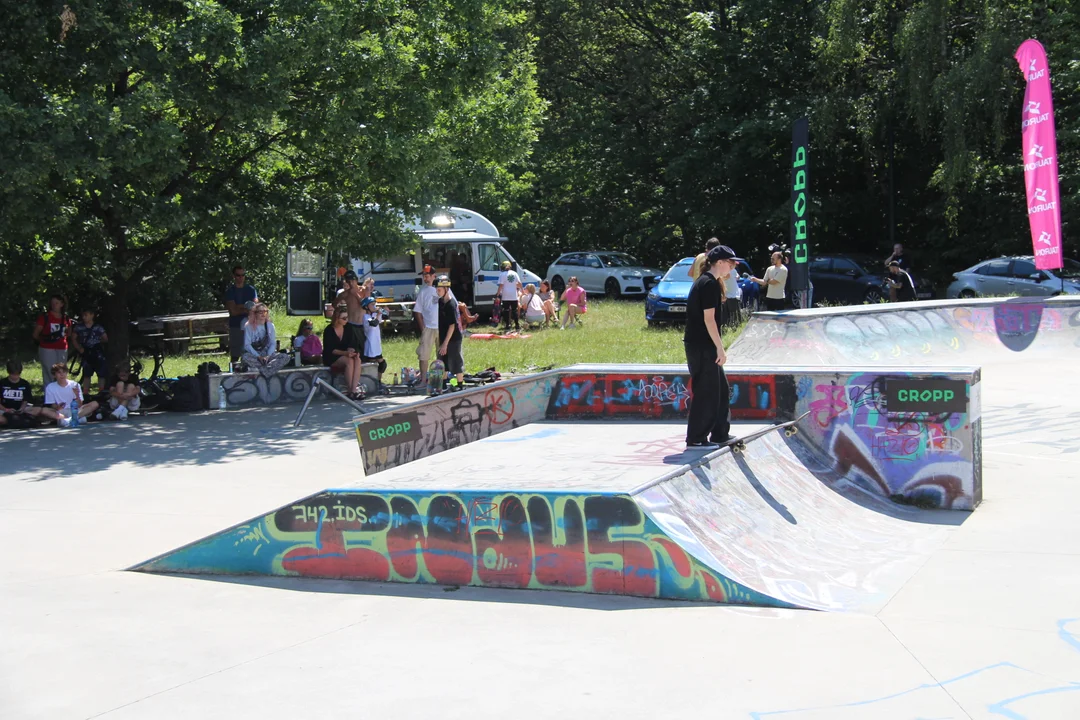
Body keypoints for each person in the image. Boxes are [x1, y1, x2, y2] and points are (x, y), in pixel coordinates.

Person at [683, 245, 735, 449]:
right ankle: (696, 437)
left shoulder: (709, 282)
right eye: (730, 263)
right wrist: (720, 348)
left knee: (721, 390)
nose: (732, 267)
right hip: (702, 346)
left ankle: (720, 434)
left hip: (702, 345)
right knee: (707, 392)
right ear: (719, 262)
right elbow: (709, 319)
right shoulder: (708, 284)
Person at [0, 360, 57, 427]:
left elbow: (26, 400)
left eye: (17, 374)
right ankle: (19, 422)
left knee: (39, 410)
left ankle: (15, 421)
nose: (15, 377)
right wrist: (6, 410)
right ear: (8, 372)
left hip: (22, 410)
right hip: (4, 410)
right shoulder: (2, 383)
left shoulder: (25, 384)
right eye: (13, 374)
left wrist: (22, 408)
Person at [32, 294, 72, 388]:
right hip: (46, 348)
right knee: (50, 372)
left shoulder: (66, 318)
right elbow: (35, 334)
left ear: (62, 304)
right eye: (52, 303)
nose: (54, 305)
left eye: (56, 303)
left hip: (62, 348)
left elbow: (69, 332)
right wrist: (43, 342)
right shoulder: (45, 317)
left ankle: (61, 394)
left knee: (61, 372)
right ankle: (49, 396)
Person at [323, 308, 362, 398]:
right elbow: (330, 349)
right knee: (349, 361)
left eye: (347, 318)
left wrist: (352, 351)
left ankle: (353, 390)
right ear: (337, 318)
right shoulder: (329, 330)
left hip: (346, 354)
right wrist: (345, 353)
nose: (346, 320)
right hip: (332, 356)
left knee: (357, 360)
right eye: (344, 318)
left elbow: (353, 343)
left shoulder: (348, 327)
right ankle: (350, 390)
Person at [242, 303, 289, 377]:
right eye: (260, 312)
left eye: (265, 311)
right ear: (255, 313)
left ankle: (262, 370)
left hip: (268, 354)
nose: (263, 314)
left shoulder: (270, 325)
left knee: (285, 357)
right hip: (255, 355)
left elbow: (273, 343)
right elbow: (247, 345)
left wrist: (268, 356)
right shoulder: (248, 326)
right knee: (245, 357)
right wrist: (258, 356)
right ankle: (268, 370)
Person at [70, 308, 109, 394]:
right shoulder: (79, 327)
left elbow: (105, 338)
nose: (84, 317)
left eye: (86, 315)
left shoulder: (98, 327)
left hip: (97, 353)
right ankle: (85, 393)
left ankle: (101, 392)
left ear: (92, 315)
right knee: (87, 374)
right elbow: (73, 338)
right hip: (85, 352)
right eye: (83, 315)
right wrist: (80, 349)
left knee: (101, 374)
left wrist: (97, 343)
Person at [225, 265, 258, 362]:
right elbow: (233, 311)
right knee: (235, 356)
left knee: (249, 354)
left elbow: (255, 307)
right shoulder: (230, 291)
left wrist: (239, 306)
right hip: (235, 326)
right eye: (238, 275)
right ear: (234, 276)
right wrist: (246, 307)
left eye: (242, 275)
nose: (240, 278)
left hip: (250, 326)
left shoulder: (251, 290)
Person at [436, 275, 465, 387]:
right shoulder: (440, 302)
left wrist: (445, 344)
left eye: (439, 290)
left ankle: (460, 384)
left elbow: (452, 326)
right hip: (444, 336)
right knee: (443, 360)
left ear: (446, 289)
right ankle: (443, 384)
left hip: (453, 337)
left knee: (456, 360)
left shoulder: (451, 304)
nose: (437, 292)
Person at [413, 264, 439, 388]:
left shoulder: (442, 289)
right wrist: (422, 327)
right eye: (424, 276)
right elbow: (417, 311)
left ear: (434, 276)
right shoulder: (423, 292)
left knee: (442, 354)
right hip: (428, 327)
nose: (425, 278)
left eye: (427, 276)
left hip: (441, 326)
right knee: (423, 355)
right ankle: (423, 380)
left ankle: (442, 379)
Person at [339, 270, 370, 356]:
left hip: (362, 324)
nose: (351, 283)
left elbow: (365, 305)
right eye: (348, 281)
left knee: (364, 351)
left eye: (352, 281)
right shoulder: (345, 294)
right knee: (351, 350)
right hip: (351, 325)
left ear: (356, 280)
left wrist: (355, 294)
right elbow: (335, 304)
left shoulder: (364, 290)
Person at [360, 296, 387, 384]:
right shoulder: (365, 317)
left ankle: (378, 381)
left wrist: (383, 311)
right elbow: (374, 323)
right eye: (372, 304)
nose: (374, 306)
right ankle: (371, 382)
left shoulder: (374, 315)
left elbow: (385, 315)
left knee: (382, 364)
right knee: (372, 366)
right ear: (366, 306)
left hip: (376, 345)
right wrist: (378, 313)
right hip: (370, 346)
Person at [496, 260, 522, 333]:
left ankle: (508, 325)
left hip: (506, 295)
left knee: (506, 311)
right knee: (515, 310)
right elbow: (519, 284)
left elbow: (501, 285)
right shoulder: (515, 273)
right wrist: (522, 291)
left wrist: (497, 294)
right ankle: (517, 326)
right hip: (514, 295)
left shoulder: (502, 274)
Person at [721, 262, 742, 328]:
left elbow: (738, 276)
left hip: (726, 296)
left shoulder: (727, 271)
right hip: (732, 296)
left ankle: (725, 328)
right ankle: (735, 328)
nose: (735, 266)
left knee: (725, 317)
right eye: (734, 264)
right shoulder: (732, 271)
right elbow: (736, 276)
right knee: (735, 316)